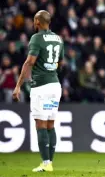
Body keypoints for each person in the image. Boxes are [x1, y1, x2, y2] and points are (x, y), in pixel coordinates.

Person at [12, 10, 64, 172]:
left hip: (41, 86)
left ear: (37, 22)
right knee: (50, 124)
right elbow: (60, 62)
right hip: (55, 85)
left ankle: (46, 163)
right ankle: (49, 163)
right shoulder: (58, 38)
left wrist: (18, 85)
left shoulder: (36, 38)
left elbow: (29, 62)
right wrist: (50, 69)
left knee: (40, 124)